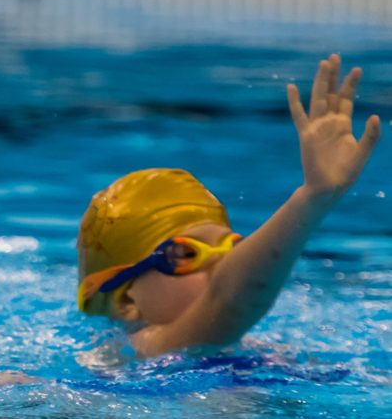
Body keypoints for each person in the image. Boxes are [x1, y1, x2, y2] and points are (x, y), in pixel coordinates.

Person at [75, 54, 381, 358]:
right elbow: (230, 301)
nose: (222, 267)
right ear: (127, 300)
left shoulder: (261, 351)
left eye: (233, 249)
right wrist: (312, 198)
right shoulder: (140, 350)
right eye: (186, 253)